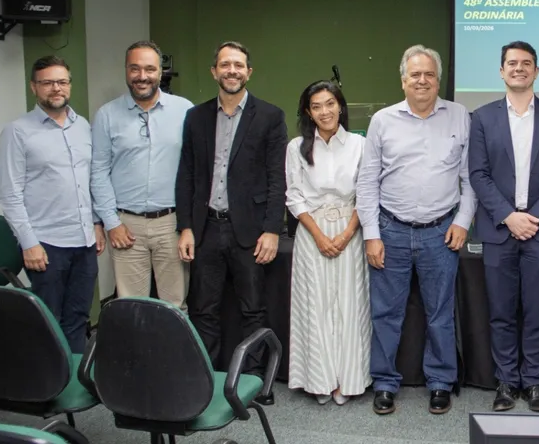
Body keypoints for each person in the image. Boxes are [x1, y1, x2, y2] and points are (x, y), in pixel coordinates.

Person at [356, 44, 477, 416]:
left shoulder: (460, 116)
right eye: (415, 74)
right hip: (390, 230)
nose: (422, 81)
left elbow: (470, 179)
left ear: (438, 79)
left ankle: (440, 382)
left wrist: (462, 221)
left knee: (440, 313)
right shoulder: (383, 120)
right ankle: (384, 383)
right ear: (403, 80)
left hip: (441, 233)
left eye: (429, 74)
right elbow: (367, 182)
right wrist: (371, 234)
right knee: (386, 314)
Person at [174, 41, 288, 394]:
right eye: (225, 64)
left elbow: (277, 178)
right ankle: (204, 382)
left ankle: (252, 382)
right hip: (206, 227)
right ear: (214, 71)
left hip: (250, 231)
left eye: (238, 65)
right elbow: (187, 174)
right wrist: (185, 227)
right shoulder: (196, 117)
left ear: (248, 72)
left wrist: (272, 229)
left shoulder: (269, 116)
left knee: (253, 309)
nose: (232, 70)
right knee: (203, 309)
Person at [468, 41, 539, 413]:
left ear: (536, 71)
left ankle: (533, 383)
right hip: (499, 229)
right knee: (500, 312)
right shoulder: (482, 118)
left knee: (537, 311)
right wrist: (508, 215)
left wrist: (534, 217)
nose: (519, 68)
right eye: (512, 63)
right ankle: (505, 382)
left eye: (526, 63)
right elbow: (478, 174)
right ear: (501, 71)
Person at [0, 55, 106, 353]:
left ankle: (72, 375)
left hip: (84, 243)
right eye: (47, 83)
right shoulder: (17, 131)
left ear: (69, 85)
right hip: (46, 246)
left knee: (79, 317)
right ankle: (46, 379)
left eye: (61, 82)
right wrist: (29, 243)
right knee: (46, 322)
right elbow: (10, 194)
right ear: (34, 87)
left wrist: (96, 223)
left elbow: (88, 181)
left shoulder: (82, 126)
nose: (56, 88)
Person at [90, 40, 194, 310]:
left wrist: (188, 226)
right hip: (126, 225)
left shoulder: (185, 110)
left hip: (171, 224)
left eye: (149, 69)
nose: (142, 76)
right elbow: (98, 172)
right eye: (134, 68)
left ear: (160, 72)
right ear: (126, 70)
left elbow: (195, 169)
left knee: (175, 306)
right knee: (130, 307)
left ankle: (172, 342)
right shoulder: (107, 115)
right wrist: (111, 223)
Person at [285, 80, 371, 406]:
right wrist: (320, 236)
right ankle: (319, 380)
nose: (325, 111)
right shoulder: (296, 147)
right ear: (308, 112)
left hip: (350, 229)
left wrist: (347, 234)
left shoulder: (359, 145)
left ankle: (347, 379)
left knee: (349, 306)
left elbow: (366, 193)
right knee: (316, 307)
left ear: (340, 106)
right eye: (317, 106)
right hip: (312, 233)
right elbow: (294, 197)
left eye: (330, 104)